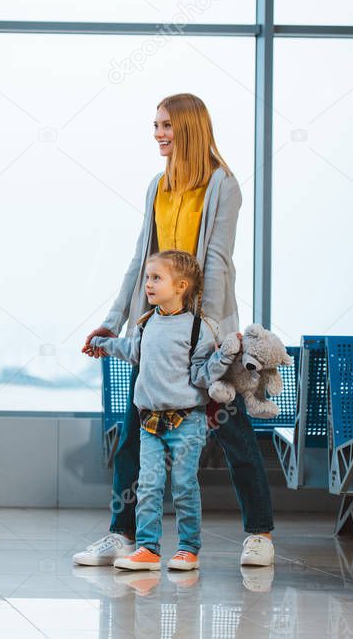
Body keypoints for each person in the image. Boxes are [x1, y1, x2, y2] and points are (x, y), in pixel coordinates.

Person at [73, 93, 276, 569]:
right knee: (132, 434)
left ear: (187, 128)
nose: (158, 133)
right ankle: (123, 536)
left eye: (166, 125)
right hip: (156, 331)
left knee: (233, 433)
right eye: (156, 125)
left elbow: (218, 262)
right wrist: (115, 319)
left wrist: (206, 336)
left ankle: (260, 534)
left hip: (203, 336)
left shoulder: (223, 185)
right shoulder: (157, 186)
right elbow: (141, 260)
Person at [89, 250, 239, 571]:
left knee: (184, 485)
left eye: (156, 278)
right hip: (150, 422)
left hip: (187, 421)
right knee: (148, 485)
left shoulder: (199, 329)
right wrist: (103, 344)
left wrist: (224, 357)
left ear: (181, 285)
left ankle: (188, 549)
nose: (148, 284)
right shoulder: (145, 324)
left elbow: (201, 375)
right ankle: (147, 549)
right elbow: (132, 351)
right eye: (147, 278)